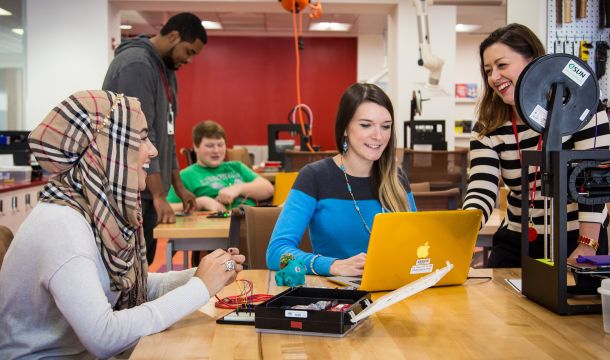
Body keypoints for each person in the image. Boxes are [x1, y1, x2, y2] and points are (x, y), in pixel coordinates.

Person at [0, 91, 245, 359]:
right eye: (141, 138)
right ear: (106, 147)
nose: (153, 150)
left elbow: (130, 285)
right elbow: (104, 337)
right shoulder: (63, 228)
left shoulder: (90, 209)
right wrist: (200, 288)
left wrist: (206, 273)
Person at [462, 24, 610, 268]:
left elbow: (594, 181)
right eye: (488, 70)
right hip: (518, 238)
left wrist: (587, 243)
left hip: (579, 236)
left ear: (532, 60)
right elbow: (482, 188)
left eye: (502, 65)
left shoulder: (582, 109)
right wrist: (461, 232)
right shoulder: (488, 127)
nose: (493, 77)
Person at [266, 83, 417, 277]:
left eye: (386, 126)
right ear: (345, 128)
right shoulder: (314, 177)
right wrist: (332, 265)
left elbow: (415, 244)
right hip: (338, 296)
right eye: (366, 125)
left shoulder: (397, 178)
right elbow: (276, 252)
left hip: (394, 290)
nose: (378, 136)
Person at [102, 12, 206, 265]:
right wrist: (160, 195)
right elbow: (141, 135)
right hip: (129, 190)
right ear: (173, 36)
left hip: (147, 188)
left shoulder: (165, 69)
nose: (189, 60)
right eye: (189, 51)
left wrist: (178, 186)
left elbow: (166, 132)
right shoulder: (136, 65)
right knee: (128, 269)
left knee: (143, 266)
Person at [167, 120, 274, 212]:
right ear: (196, 146)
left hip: (250, 222)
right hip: (215, 229)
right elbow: (168, 207)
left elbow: (268, 189)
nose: (216, 151)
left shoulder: (237, 166)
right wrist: (200, 202)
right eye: (209, 146)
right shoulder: (186, 176)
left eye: (220, 145)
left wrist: (238, 188)